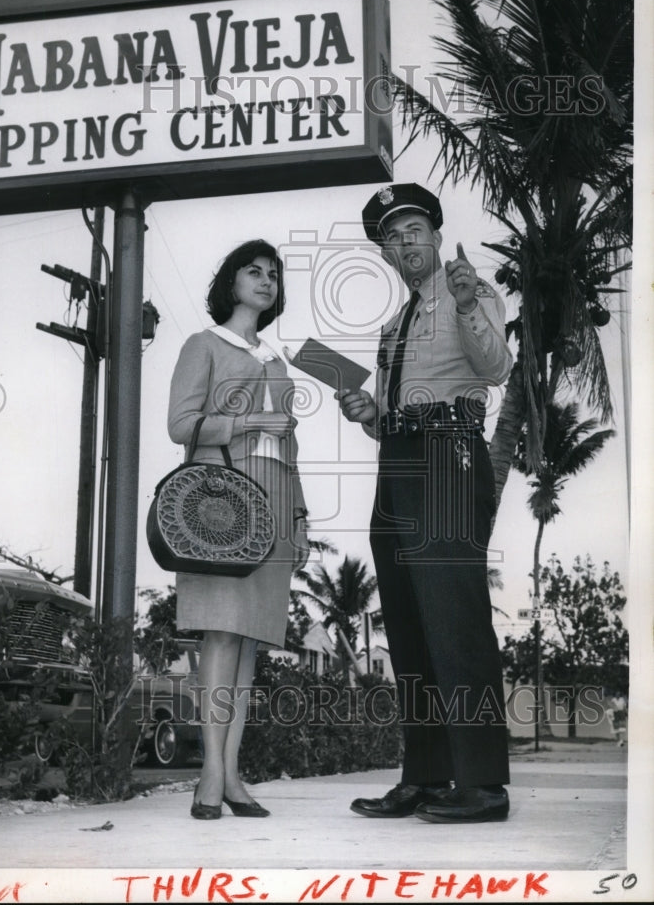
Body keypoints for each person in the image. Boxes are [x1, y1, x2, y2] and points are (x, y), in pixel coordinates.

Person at [337, 183, 513, 823]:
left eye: (413, 229)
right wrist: (367, 412)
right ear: (385, 252)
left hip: (447, 452)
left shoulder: (472, 291)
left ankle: (484, 781)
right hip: (399, 460)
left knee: (456, 618)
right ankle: (427, 775)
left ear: (436, 236)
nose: (404, 242)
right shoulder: (393, 325)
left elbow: (495, 368)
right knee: (409, 623)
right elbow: (388, 417)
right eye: (392, 236)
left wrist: (467, 304)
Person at [167, 239, 309, 821]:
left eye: (273, 274)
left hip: (275, 496)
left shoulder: (278, 360)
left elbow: (290, 445)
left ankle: (231, 773)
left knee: (249, 642)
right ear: (231, 283)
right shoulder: (202, 345)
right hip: (222, 499)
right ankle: (209, 773)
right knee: (220, 636)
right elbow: (181, 425)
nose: (266, 280)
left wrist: (299, 516)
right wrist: (251, 419)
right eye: (253, 271)